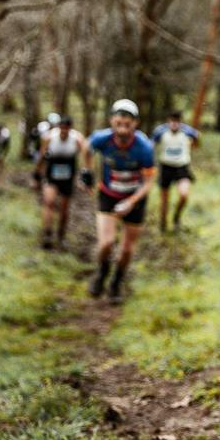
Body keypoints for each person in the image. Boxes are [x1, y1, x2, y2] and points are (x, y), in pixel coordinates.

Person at [82, 99, 156, 303]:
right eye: (119, 117)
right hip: (108, 195)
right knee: (106, 243)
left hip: (135, 198)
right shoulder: (101, 139)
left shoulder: (144, 148)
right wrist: (87, 171)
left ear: (136, 123)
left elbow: (149, 182)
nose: (123, 122)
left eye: (129, 119)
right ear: (112, 120)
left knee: (126, 249)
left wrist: (131, 202)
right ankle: (102, 272)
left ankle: (116, 282)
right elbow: (86, 148)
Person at [36, 115, 84, 250]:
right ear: (58, 128)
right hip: (52, 173)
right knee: (49, 202)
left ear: (70, 129)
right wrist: (37, 174)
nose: (63, 131)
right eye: (61, 128)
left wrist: (83, 175)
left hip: (68, 175)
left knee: (64, 209)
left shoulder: (77, 139)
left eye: (66, 129)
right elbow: (41, 155)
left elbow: (84, 154)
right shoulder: (49, 137)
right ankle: (47, 233)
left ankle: (61, 236)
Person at [149, 110, 200, 233]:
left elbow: (197, 140)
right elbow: (150, 146)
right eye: (172, 121)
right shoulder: (160, 132)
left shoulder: (188, 132)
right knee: (164, 201)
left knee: (184, 195)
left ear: (180, 122)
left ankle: (176, 218)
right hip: (166, 167)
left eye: (177, 121)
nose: (174, 124)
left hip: (182, 168)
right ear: (168, 121)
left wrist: (192, 145)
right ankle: (163, 226)